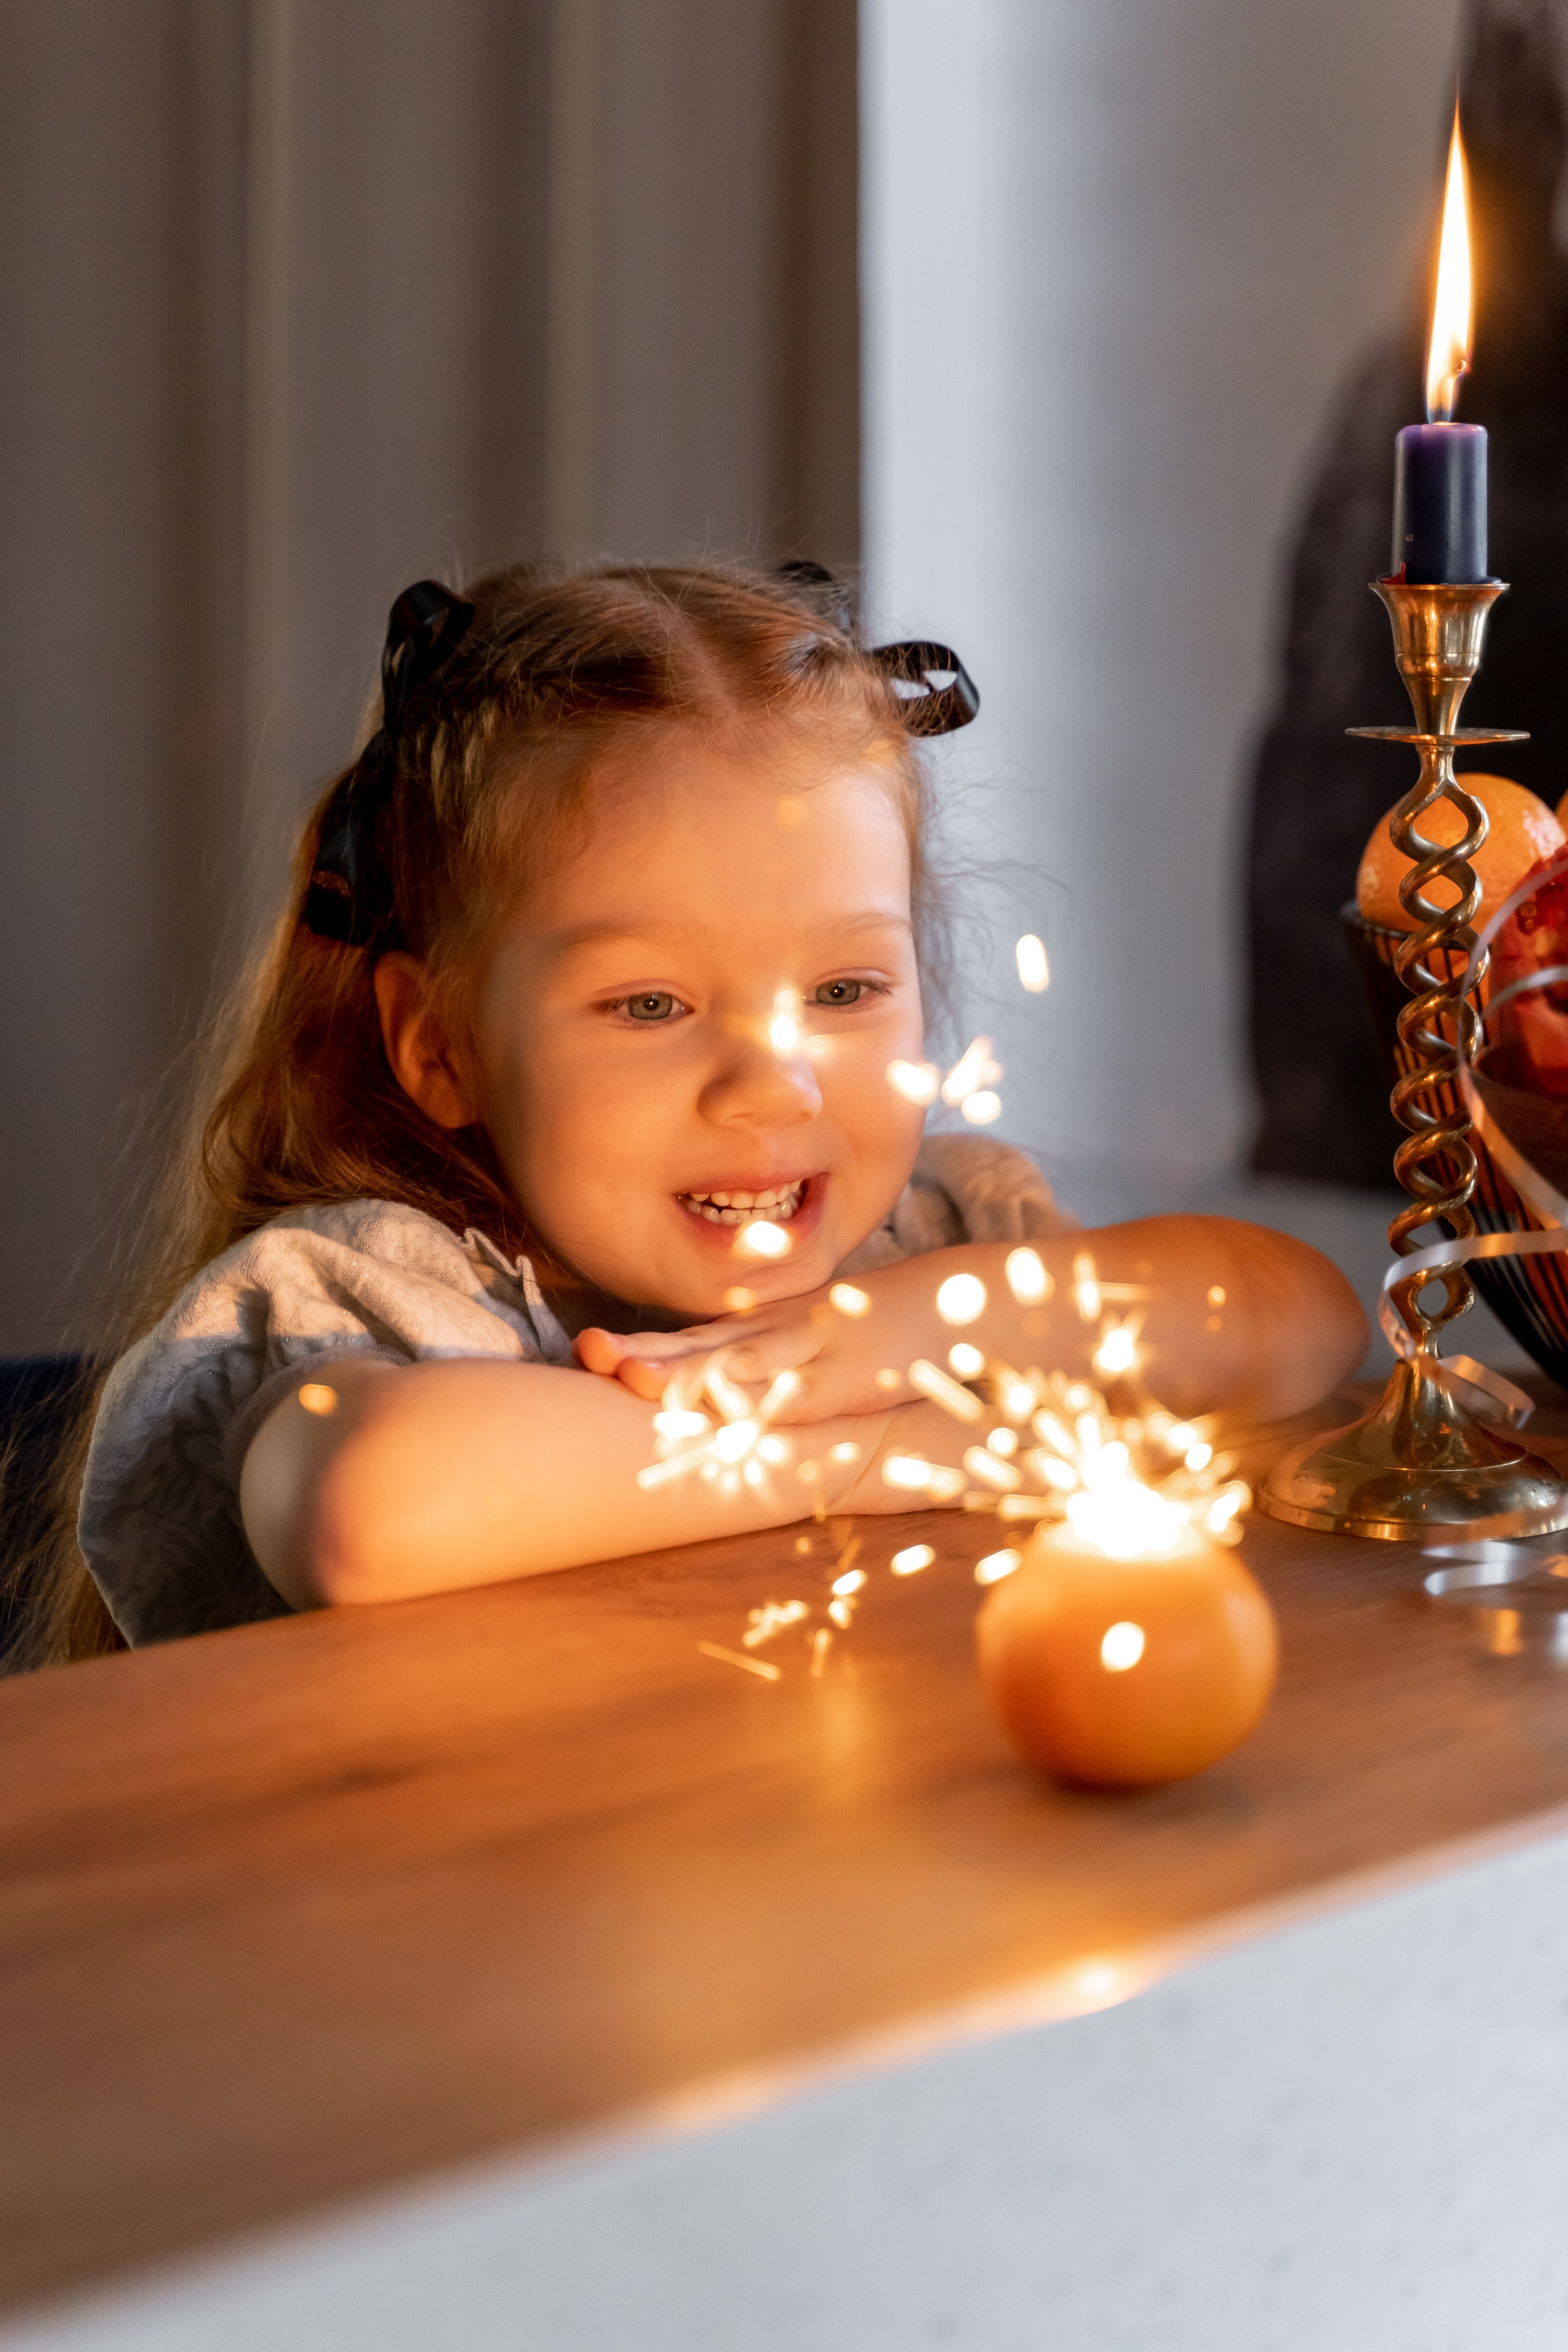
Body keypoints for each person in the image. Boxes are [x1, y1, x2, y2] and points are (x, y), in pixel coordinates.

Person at [21, 564, 1366, 1660]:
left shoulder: (932, 1236)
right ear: (439, 1049)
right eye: (651, 1006)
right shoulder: (380, 1294)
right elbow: (371, 1507)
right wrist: (905, 1447)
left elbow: (1297, 1315)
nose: (770, 1084)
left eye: (843, 988)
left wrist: (873, 1337)